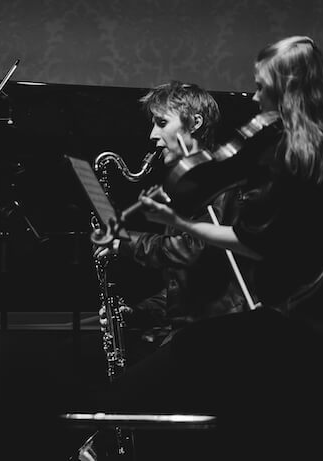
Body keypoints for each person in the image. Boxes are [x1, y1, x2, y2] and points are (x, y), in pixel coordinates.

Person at [93, 36, 323, 460]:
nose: (254, 95)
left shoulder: (293, 154)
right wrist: (177, 221)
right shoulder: (310, 145)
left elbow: (255, 245)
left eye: (262, 86)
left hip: (300, 317)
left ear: (289, 85)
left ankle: (93, 432)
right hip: (301, 313)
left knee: (148, 381)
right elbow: (257, 242)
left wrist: (169, 226)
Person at [93, 81, 249, 362]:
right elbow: (190, 287)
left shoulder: (221, 182)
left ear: (195, 123)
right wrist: (136, 313)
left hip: (222, 339)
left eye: (162, 123)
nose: (153, 135)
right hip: (196, 333)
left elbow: (191, 250)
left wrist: (124, 241)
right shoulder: (189, 189)